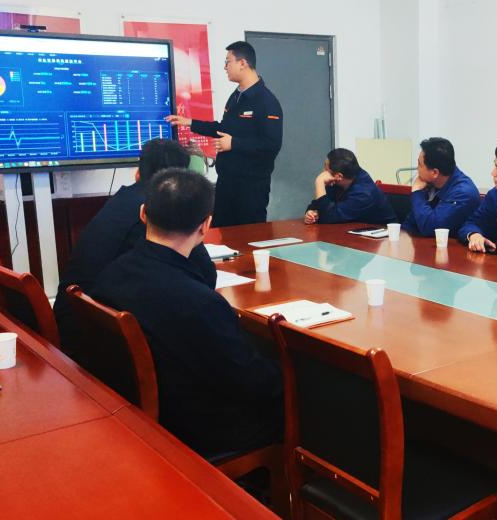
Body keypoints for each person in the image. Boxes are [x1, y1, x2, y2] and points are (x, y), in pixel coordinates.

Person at [90, 168, 283, 457]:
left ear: (143, 214)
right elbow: (251, 381)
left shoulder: (111, 274)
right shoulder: (200, 303)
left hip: (133, 412)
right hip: (193, 431)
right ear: (205, 226)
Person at [53, 139, 216, 354]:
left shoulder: (123, 198)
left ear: (138, 172)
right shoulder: (162, 208)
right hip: (92, 340)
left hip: (79, 318)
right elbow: (206, 278)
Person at [166, 41, 283, 227]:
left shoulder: (267, 102)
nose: (225, 67)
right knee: (220, 235)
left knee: (248, 237)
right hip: (226, 184)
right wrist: (189, 123)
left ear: (243, 63)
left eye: (228, 62)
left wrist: (234, 143)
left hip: (250, 189)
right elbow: (223, 129)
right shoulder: (236, 96)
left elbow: (271, 146)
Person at [402, 137, 480, 236]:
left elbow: (430, 227)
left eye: (420, 165)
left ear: (435, 172)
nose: (417, 168)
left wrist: (417, 192)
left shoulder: (463, 193)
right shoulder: (430, 182)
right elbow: (410, 224)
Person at [304, 148, 397, 225]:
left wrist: (319, 182)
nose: (323, 172)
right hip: (350, 231)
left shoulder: (364, 193)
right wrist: (311, 213)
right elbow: (318, 205)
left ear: (339, 176)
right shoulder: (340, 179)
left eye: (326, 168)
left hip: (382, 237)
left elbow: (328, 217)